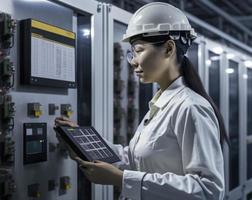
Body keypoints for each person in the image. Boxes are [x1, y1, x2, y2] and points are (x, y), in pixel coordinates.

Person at [55, 2, 227, 200]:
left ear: (169, 49)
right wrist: (80, 141)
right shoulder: (161, 104)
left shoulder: (190, 107)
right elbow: (135, 159)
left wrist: (121, 179)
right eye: (132, 53)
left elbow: (208, 190)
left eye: (139, 50)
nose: (133, 61)